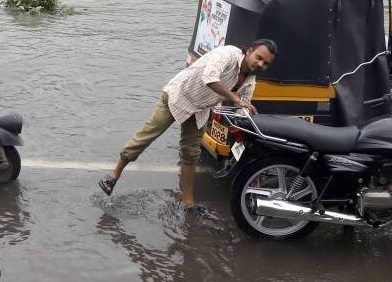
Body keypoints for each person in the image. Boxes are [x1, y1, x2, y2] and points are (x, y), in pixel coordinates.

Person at [99, 39, 277, 213]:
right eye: (259, 58)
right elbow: (209, 78)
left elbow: (242, 108)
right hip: (178, 96)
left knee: (190, 154)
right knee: (147, 136)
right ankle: (114, 176)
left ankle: (188, 203)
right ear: (249, 51)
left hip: (199, 109)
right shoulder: (228, 54)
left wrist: (250, 128)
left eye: (266, 63)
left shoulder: (249, 81)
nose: (260, 64)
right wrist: (235, 98)